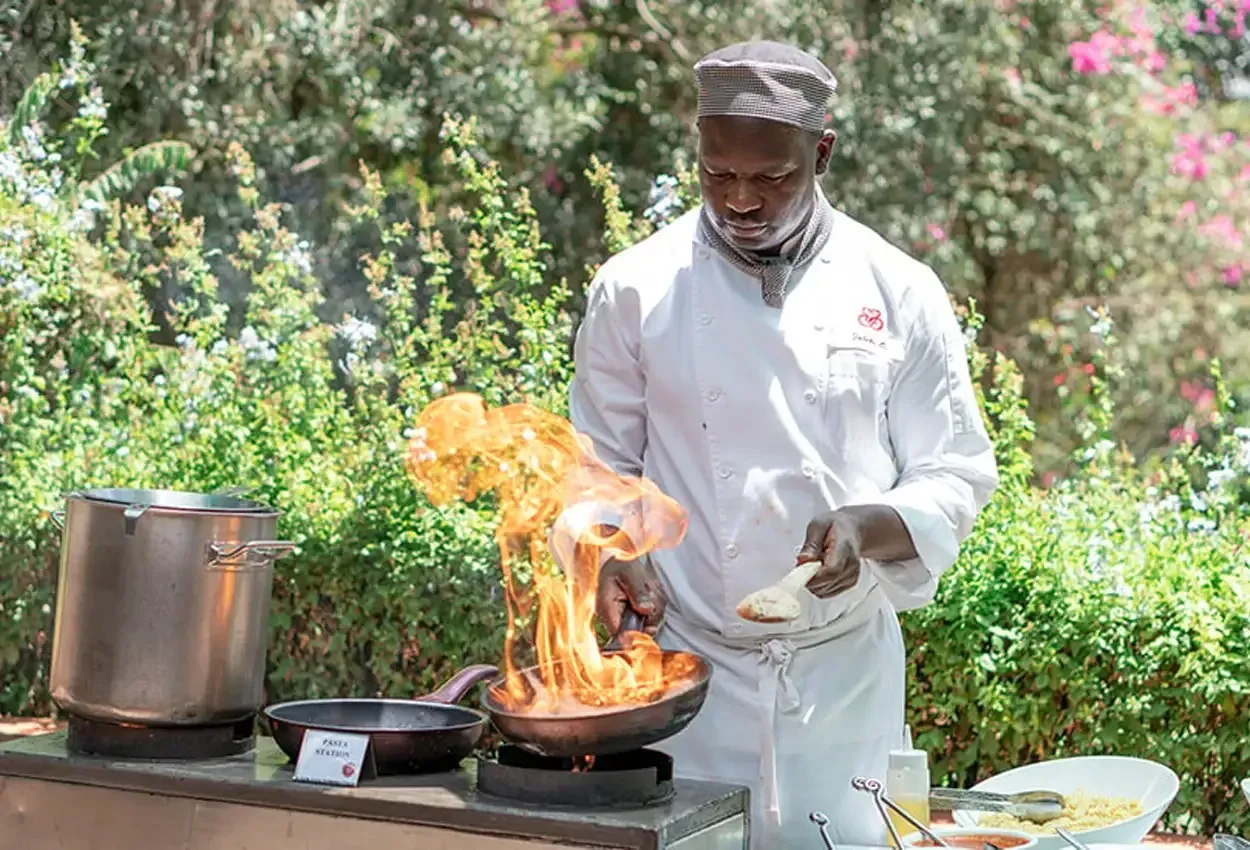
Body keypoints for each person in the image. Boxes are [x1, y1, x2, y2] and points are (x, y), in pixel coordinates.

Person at [561, 40, 999, 848]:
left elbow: (954, 471)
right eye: (717, 173)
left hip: (841, 680)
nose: (740, 199)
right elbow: (599, 468)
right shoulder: (635, 288)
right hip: (685, 680)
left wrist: (866, 527)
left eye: (771, 177)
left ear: (821, 153)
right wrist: (613, 548)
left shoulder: (898, 288)